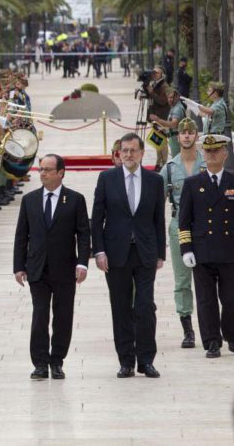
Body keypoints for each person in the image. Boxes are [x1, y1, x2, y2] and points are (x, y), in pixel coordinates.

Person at [91, 133, 166, 378]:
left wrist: (160, 253)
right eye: (124, 150)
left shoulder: (154, 180)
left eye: (133, 150)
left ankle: (146, 360)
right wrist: (99, 251)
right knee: (121, 307)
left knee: (145, 307)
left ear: (142, 153)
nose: (128, 154)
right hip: (116, 254)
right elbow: (97, 218)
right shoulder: (107, 179)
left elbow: (158, 219)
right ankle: (126, 361)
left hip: (145, 252)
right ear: (119, 153)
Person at [13, 154, 90, 380]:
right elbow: (21, 235)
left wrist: (83, 263)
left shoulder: (75, 199)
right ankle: (39, 362)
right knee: (40, 316)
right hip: (37, 268)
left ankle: (57, 360)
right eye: (41, 169)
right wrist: (19, 266)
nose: (43, 173)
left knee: (63, 316)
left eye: (47, 169)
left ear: (60, 172)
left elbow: (84, 234)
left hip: (65, 268)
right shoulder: (30, 200)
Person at [178, 134, 234, 358]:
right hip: (202, 250)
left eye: (216, 151)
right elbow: (184, 220)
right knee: (205, 300)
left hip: (230, 250)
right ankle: (212, 341)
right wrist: (186, 248)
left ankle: (231, 335)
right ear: (203, 154)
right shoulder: (193, 184)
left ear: (225, 154)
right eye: (208, 151)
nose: (211, 155)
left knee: (231, 299)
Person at [160, 118, 205, 348]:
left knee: (211, 278)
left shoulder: (206, 164)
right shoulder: (169, 168)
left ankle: (212, 327)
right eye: (183, 132)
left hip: (207, 229)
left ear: (197, 136)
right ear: (178, 137)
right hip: (180, 228)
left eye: (190, 132)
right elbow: (157, 202)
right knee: (182, 281)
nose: (186, 136)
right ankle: (188, 329)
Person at [197, 81, 234, 171]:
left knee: (214, 159)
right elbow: (207, 115)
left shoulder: (220, 104)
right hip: (211, 136)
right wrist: (197, 111)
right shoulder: (215, 104)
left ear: (216, 93)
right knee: (209, 160)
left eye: (209, 90)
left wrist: (198, 105)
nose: (207, 93)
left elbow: (210, 112)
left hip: (215, 137)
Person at [150, 88, 185, 157]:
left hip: (176, 140)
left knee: (176, 160)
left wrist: (158, 120)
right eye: (168, 97)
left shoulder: (177, 109)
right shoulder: (174, 106)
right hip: (174, 138)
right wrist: (165, 129)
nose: (169, 99)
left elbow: (173, 124)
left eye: (171, 97)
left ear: (177, 97)